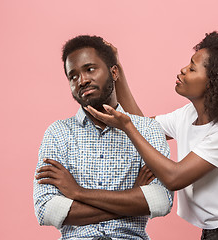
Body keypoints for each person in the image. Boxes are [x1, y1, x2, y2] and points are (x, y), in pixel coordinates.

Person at [85, 31, 218, 239]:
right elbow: (145, 129)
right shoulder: (187, 115)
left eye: (192, 68)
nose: (183, 70)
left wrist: (127, 126)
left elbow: (174, 177)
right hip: (213, 234)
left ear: (213, 82)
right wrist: (117, 69)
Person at [33, 35, 173, 240]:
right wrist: (133, 199)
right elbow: (47, 209)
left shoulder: (148, 130)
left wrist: (77, 193)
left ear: (114, 72)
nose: (82, 80)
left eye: (90, 69)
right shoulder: (58, 133)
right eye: (73, 76)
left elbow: (161, 201)